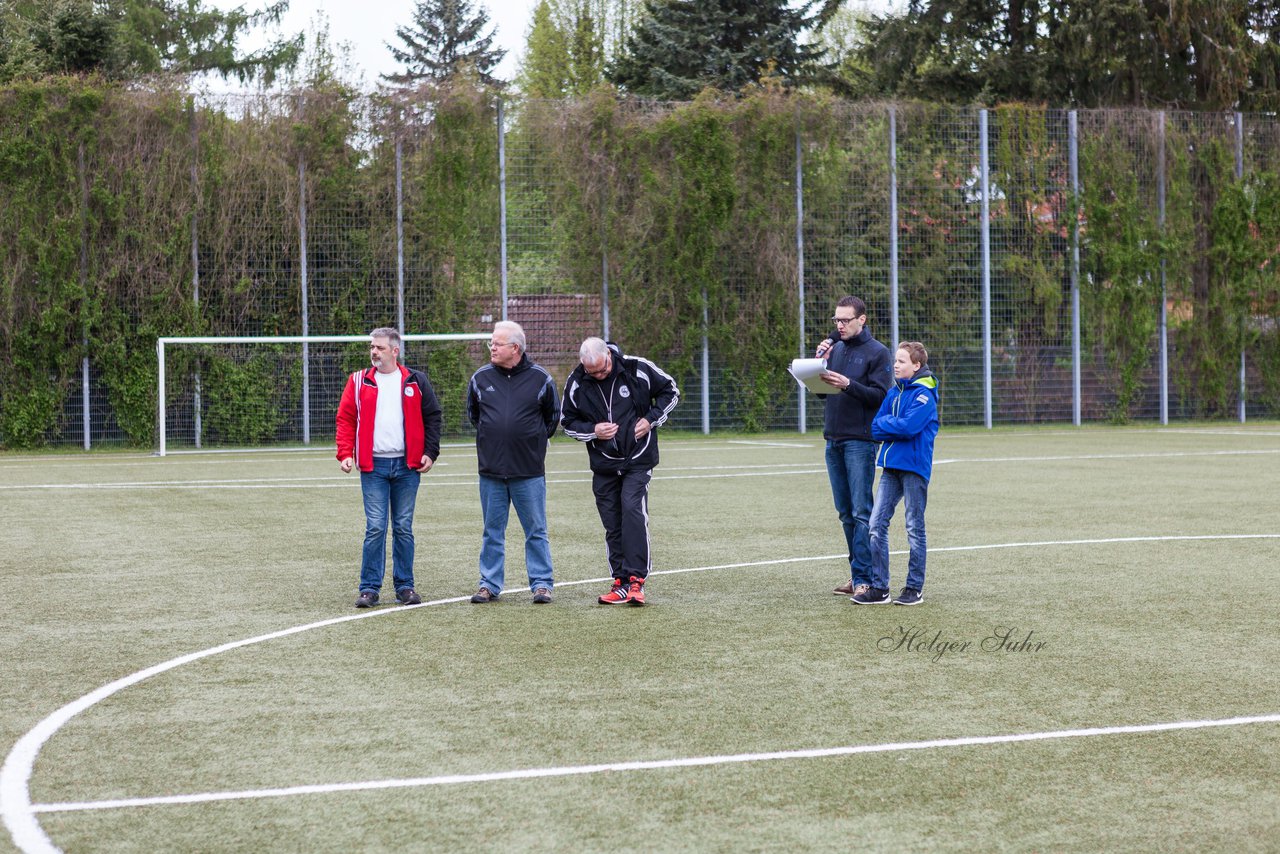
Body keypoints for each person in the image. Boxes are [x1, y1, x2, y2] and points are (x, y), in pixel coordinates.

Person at [561, 338, 680, 606]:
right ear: (583, 364)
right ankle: (621, 582)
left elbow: (671, 391)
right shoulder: (577, 382)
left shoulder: (637, 368)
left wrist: (650, 420)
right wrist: (594, 430)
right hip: (603, 464)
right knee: (612, 522)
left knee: (632, 510)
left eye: (602, 369)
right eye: (593, 372)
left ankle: (637, 581)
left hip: (638, 458)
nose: (599, 375)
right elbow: (567, 422)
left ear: (609, 356)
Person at [335, 327, 442, 608]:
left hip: (408, 467)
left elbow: (433, 416)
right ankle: (369, 589)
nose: (374, 352)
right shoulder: (358, 381)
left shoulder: (415, 381)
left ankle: (405, 587)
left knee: (403, 528)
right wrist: (345, 453)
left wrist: (431, 452)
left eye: (380, 347)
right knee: (375, 528)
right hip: (374, 467)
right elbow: (345, 418)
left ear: (395, 351)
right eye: (372, 347)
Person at [465, 321, 559, 604]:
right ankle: (489, 584)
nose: (491, 347)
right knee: (492, 532)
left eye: (497, 343)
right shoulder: (479, 378)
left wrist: (529, 442)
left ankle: (542, 584)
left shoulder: (541, 379)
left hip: (528, 472)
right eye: (491, 343)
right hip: (491, 472)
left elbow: (551, 419)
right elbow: (475, 415)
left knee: (536, 531)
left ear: (515, 348)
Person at [814, 296, 893, 599]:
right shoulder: (836, 350)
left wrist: (848, 384)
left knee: (862, 513)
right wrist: (816, 366)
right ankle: (857, 573)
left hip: (860, 442)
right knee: (845, 513)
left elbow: (880, 396)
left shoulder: (878, 353)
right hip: (832, 439)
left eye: (845, 320)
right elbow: (823, 394)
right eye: (836, 320)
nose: (839, 325)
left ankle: (866, 579)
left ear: (862, 320)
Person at [853, 341, 940, 606]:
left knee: (914, 527)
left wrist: (892, 425)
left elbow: (908, 428)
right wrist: (894, 425)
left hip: (914, 468)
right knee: (876, 524)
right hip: (890, 467)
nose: (895, 365)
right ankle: (880, 588)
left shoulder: (925, 395)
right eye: (895, 360)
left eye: (901, 361)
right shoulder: (893, 393)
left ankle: (914, 588)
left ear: (916, 365)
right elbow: (875, 428)